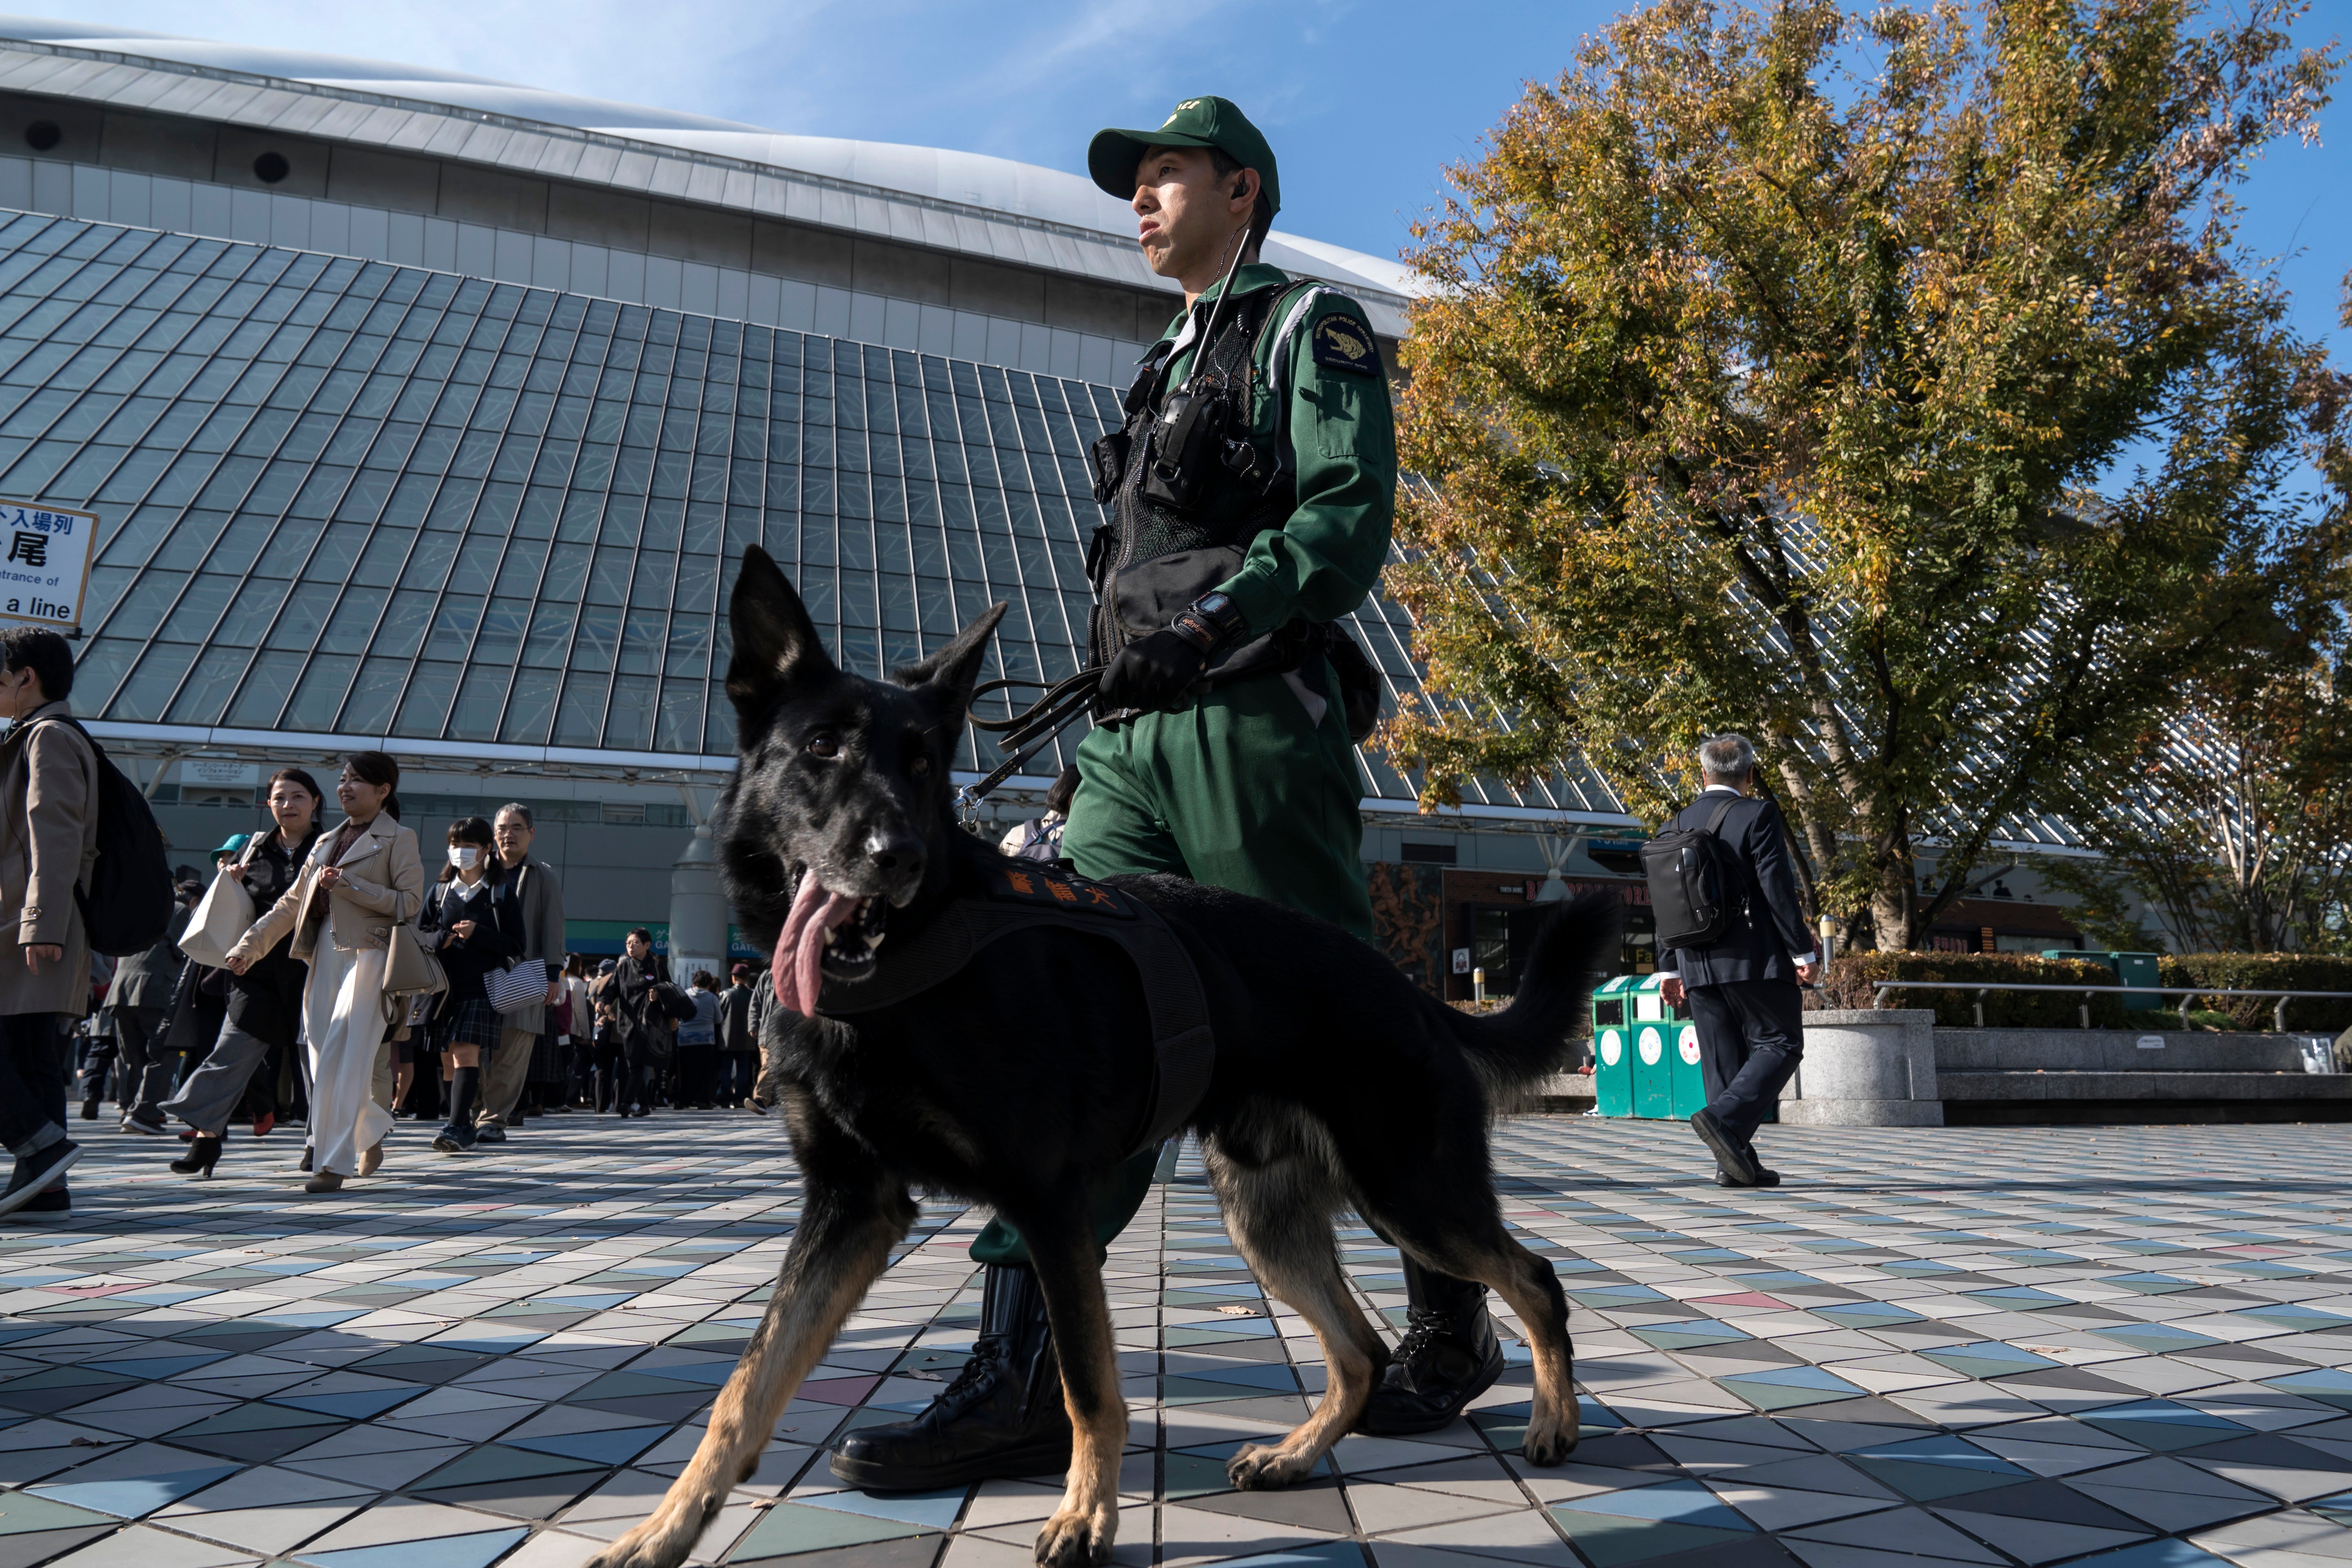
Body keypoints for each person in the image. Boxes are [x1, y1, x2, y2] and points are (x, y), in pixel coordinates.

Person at [832, 96, 1431, 1490]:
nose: (1141, 202)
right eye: (1135, 184)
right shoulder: (1161, 360)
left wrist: (1225, 616)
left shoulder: (1306, 329)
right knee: (1064, 1023)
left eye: (1164, 177)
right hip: (1132, 740)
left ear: (1243, 188)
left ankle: (1447, 1312)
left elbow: (1343, 520)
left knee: (1334, 1034)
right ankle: (1025, 1375)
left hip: (1249, 724)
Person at [227, 751, 423, 1195]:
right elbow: (291, 906)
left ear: (383, 791)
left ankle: (331, 1162)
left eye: (357, 781)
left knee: (343, 1054)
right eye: (343, 779)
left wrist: (349, 885)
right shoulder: (325, 841)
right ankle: (371, 1129)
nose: (346, 787)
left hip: (371, 957)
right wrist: (249, 946)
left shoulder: (398, 838)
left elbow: (409, 903)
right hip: (324, 957)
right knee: (320, 1056)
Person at [1657, 734, 1821, 1189]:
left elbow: (1665, 899)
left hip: (1694, 963)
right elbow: (1777, 889)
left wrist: (1668, 967)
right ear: (1750, 774)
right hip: (1753, 958)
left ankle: (1734, 1164)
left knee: (1722, 1062)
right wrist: (1802, 951)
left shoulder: (1673, 823)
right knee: (1781, 1043)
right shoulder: (1759, 814)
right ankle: (1723, 1121)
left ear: (1701, 774)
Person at [161, 769, 325, 1177]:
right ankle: (206, 1137)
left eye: (298, 796)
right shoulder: (253, 850)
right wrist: (231, 880)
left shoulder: (331, 848)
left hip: (314, 967)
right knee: (230, 1051)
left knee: (315, 1063)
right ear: (267, 804)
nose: (288, 805)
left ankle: (320, 1142)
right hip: (254, 969)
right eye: (280, 798)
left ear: (316, 801)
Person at [0, 628, 97, 1221]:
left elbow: (54, 834)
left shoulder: (49, 739)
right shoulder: (38, 736)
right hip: (30, 917)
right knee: (31, 1052)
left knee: (27, 1047)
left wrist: (40, 921)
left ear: (25, 676)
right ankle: (47, 1184)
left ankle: (41, 1145)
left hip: (25, 920)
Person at [417, 817, 523, 1153]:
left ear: (486, 849)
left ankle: (454, 1126)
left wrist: (479, 934)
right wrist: (441, 940)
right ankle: (462, 1122)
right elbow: (420, 934)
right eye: (454, 845)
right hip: (443, 989)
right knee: (449, 1060)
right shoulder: (439, 891)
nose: (459, 852)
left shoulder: (501, 892)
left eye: (468, 846)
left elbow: (516, 944)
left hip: (483, 986)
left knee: (464, 1054)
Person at [473, 804, 565, 1140]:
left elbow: (553, 925)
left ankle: (492, 1121)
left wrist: (553, 974)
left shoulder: (543, 874)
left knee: (512, 1053)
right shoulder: (474, 869)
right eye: (501, 828)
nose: (507, 834)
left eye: (516, 827)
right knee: (472, 1049)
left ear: (531, 832)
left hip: (523, 976)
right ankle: (472, 1110)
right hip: (477, 973)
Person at [103, 872, 196, 1136]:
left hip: (121, 991)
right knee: (164, 1053)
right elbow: (185, 950)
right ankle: (143, 1114)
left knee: (132, 1057)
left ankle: (131, 1110)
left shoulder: (131, 911)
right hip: (155, 990)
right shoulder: (178, 911)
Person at [716, 962, 759, 1109]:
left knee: (726, 1069)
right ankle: (740, 1099)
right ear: (747, 978)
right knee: (743, 1070)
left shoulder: (725, 994)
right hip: (747, 1039)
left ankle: (726, 1100)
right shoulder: (753, 995)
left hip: (727, 1038)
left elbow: (719, 1016)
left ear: (734, 978)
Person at [676, 970, 721, 1109]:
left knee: (685, 1071)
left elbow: (678, 1016)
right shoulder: (712, 998)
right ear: (709, 984)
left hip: (684, 1038)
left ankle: (684, 1100)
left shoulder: (684, 995)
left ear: (693, 982)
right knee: (705, 1071)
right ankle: (703, 1101)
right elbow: (719, 1019)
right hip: (706, 1039)